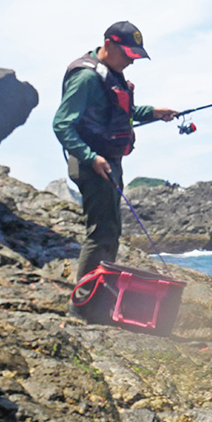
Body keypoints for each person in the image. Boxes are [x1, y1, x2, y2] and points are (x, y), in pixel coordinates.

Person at [53, 21, 176, 281]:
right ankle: (85, 297)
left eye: (135, 57)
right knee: (101, 233)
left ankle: (99, 289)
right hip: (91, 164)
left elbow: (120, 112)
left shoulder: (110, 73)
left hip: (107, 162)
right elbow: (62, 124)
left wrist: (154, 112)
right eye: (128, 55)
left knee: (111, 230)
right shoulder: (86, 78)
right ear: (108, 44)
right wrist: (91, 158)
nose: (131, 62)